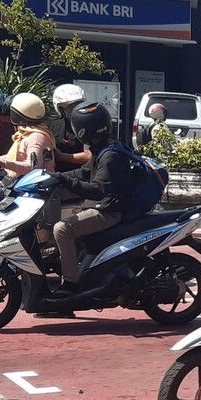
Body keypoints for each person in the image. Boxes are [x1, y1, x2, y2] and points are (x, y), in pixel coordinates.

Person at [51, 102, 134, 289]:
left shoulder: (109, 156)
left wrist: (66, 183)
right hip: (103, 206)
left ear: (83, 131)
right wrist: (54, 178)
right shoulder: (104, 149)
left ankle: (70, 284)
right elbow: (83, 172)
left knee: (61, 229)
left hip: (109, 211)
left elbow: (98, 190)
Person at [0, 93, 57, 227]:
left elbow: (32, 167)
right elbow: (11, 157)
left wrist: (3, 164)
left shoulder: (35, 136)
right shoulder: (26, 133)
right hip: (19, 183)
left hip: (28, 188)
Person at [51, 83, 91, 171]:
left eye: (79, 104)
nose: (76, 108)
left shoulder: (89, 124)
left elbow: (89, 156)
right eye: (72, 106)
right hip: (56, 177)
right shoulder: (52, 124)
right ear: (61, 108)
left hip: (82, 178)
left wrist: (62, 156)